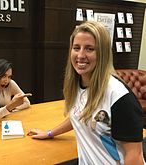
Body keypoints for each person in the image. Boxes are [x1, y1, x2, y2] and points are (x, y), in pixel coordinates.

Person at [27, 21, 145, 165]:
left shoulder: (119, 97)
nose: (81, 55)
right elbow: (79, 115)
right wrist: (50, 133)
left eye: (89, 49)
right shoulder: (78, 83)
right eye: (76, 48)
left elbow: (135, 156)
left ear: (102, 54)